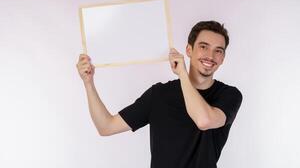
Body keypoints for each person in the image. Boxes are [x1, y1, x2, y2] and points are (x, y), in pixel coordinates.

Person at [76, 21, 242, 168]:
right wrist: (88, 82)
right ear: (189, 50)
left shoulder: (229, 95)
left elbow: (204, 120)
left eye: (218, 51)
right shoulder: (159, 95)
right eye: (203, 47)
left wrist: (183, 74)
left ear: (223, 58)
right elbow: (106, 127)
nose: (210, 56)